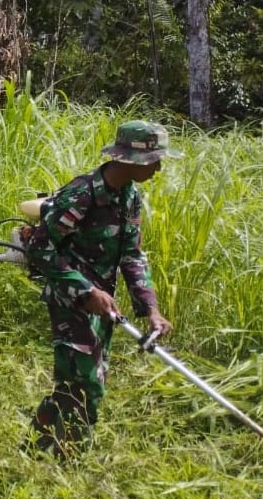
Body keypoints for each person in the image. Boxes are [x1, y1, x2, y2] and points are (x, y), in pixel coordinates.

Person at [24, 120, 181, 457]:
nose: (158, 167)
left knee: (84, 380)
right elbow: (40, 248)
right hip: (71, 299)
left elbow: (132, 255)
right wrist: (84, 290)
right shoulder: (81, 195)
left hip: (102, 303)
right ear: (130, 160)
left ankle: (37, 448)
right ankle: (69, 459)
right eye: (154, 160)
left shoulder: (130, 198)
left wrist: (151, 309)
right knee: (86, 383)